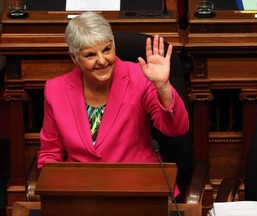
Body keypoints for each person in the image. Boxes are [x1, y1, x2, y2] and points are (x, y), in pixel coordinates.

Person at [37, 11, 189, 172]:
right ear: (74, 58)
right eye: (90, 55)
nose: (102, 61)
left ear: (114, 46)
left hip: (138, 184)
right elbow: (50, 154)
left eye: (107, 50)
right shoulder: (56, 90)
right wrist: (58, 189)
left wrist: (163, 86)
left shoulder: (140, 77)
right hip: (81, 189)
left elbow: (177, 128)